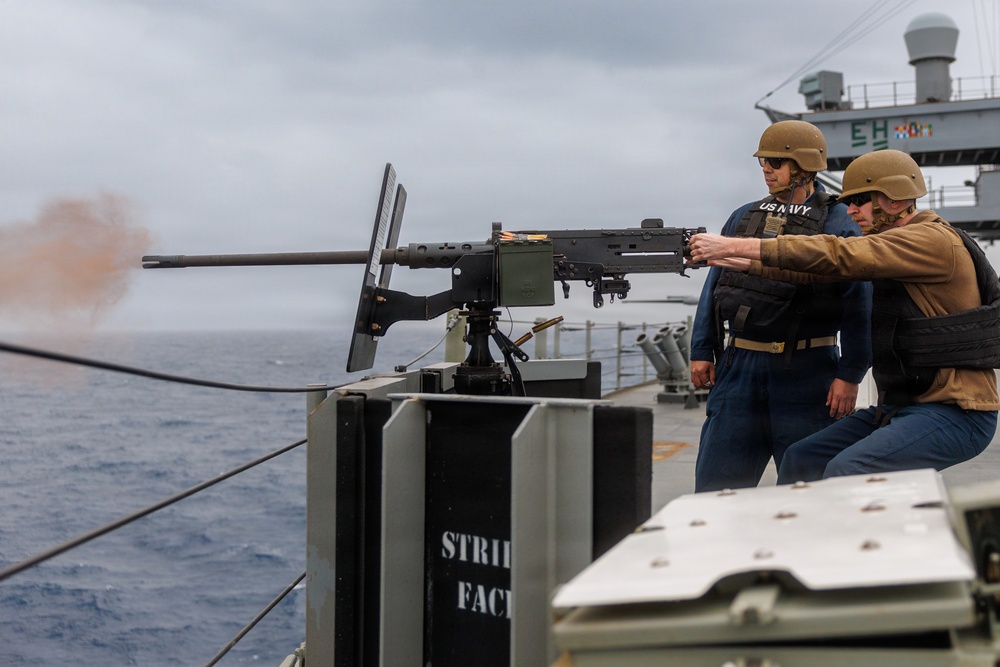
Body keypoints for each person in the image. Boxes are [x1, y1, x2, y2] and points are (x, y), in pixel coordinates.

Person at [688, 149, 998, 483]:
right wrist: (730, 261)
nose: (850, 211)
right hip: (903, 406)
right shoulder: (895, 243)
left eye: (860, 200)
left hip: (956, 412)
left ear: (893, 199)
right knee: (803, 458)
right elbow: (817, 274)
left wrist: (732, 246)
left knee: (849, 470)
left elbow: (840, 255)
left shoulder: (930, 240)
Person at [689, 120, 872, 493]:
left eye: (774, 161)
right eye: (763, 162)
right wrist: (702, 349)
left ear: (803, 166)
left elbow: (860, 302)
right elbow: (717, 282)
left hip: (809, 372)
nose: (766, 169)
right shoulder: (743, 217)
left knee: (807, 492)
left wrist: (851, 374)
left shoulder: (839, 222)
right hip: (739, 368)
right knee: (716, 490)